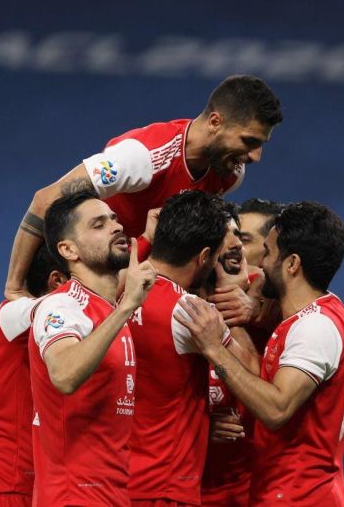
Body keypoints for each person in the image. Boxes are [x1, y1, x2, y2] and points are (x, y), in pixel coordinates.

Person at [5, 75, 283, 300]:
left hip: (134, 278)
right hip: (83, 278)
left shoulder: (230, 172)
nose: (255, 156)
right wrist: (15, 288)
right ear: (215, 122)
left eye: (261, 144)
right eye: (249, 141)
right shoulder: (142, 157)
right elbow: (45, 200)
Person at [175, 202, 344, 506]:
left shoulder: (314, 327)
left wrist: (214, 349)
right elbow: (260, 377)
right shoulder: (318, 313)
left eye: (268, 253)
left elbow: (276, 410)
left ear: (292, 264)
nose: (258, 267)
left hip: (301, 498)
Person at [29, 181, 156, 506]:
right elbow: (64, 375)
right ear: (68, 250)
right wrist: (127, 307)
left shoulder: (108, 309)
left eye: (114, 219)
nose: (116, 227)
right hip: (72, 496)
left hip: (112, 495)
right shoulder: (62, 305)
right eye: (98, 225)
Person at [125, 191, 252, 506]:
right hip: (164, 487)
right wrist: (233, 303)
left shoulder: (116, 289)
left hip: (115, 482)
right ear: (204, 256)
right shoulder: (190, 311)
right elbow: (251, 376)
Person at [201, 198, 284, 506]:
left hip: (248, 488)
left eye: (243, 239)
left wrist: (251, 309)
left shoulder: (281, 308)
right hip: (185, 486)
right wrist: (197, 425)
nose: (233, 246)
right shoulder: (182, 294)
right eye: (227, 235)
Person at [0, 245, 67, 507]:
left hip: (41, 489)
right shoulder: (10, 315)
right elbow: (80, 301)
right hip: (12, 490)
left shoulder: (51, 331)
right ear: (57, 281)